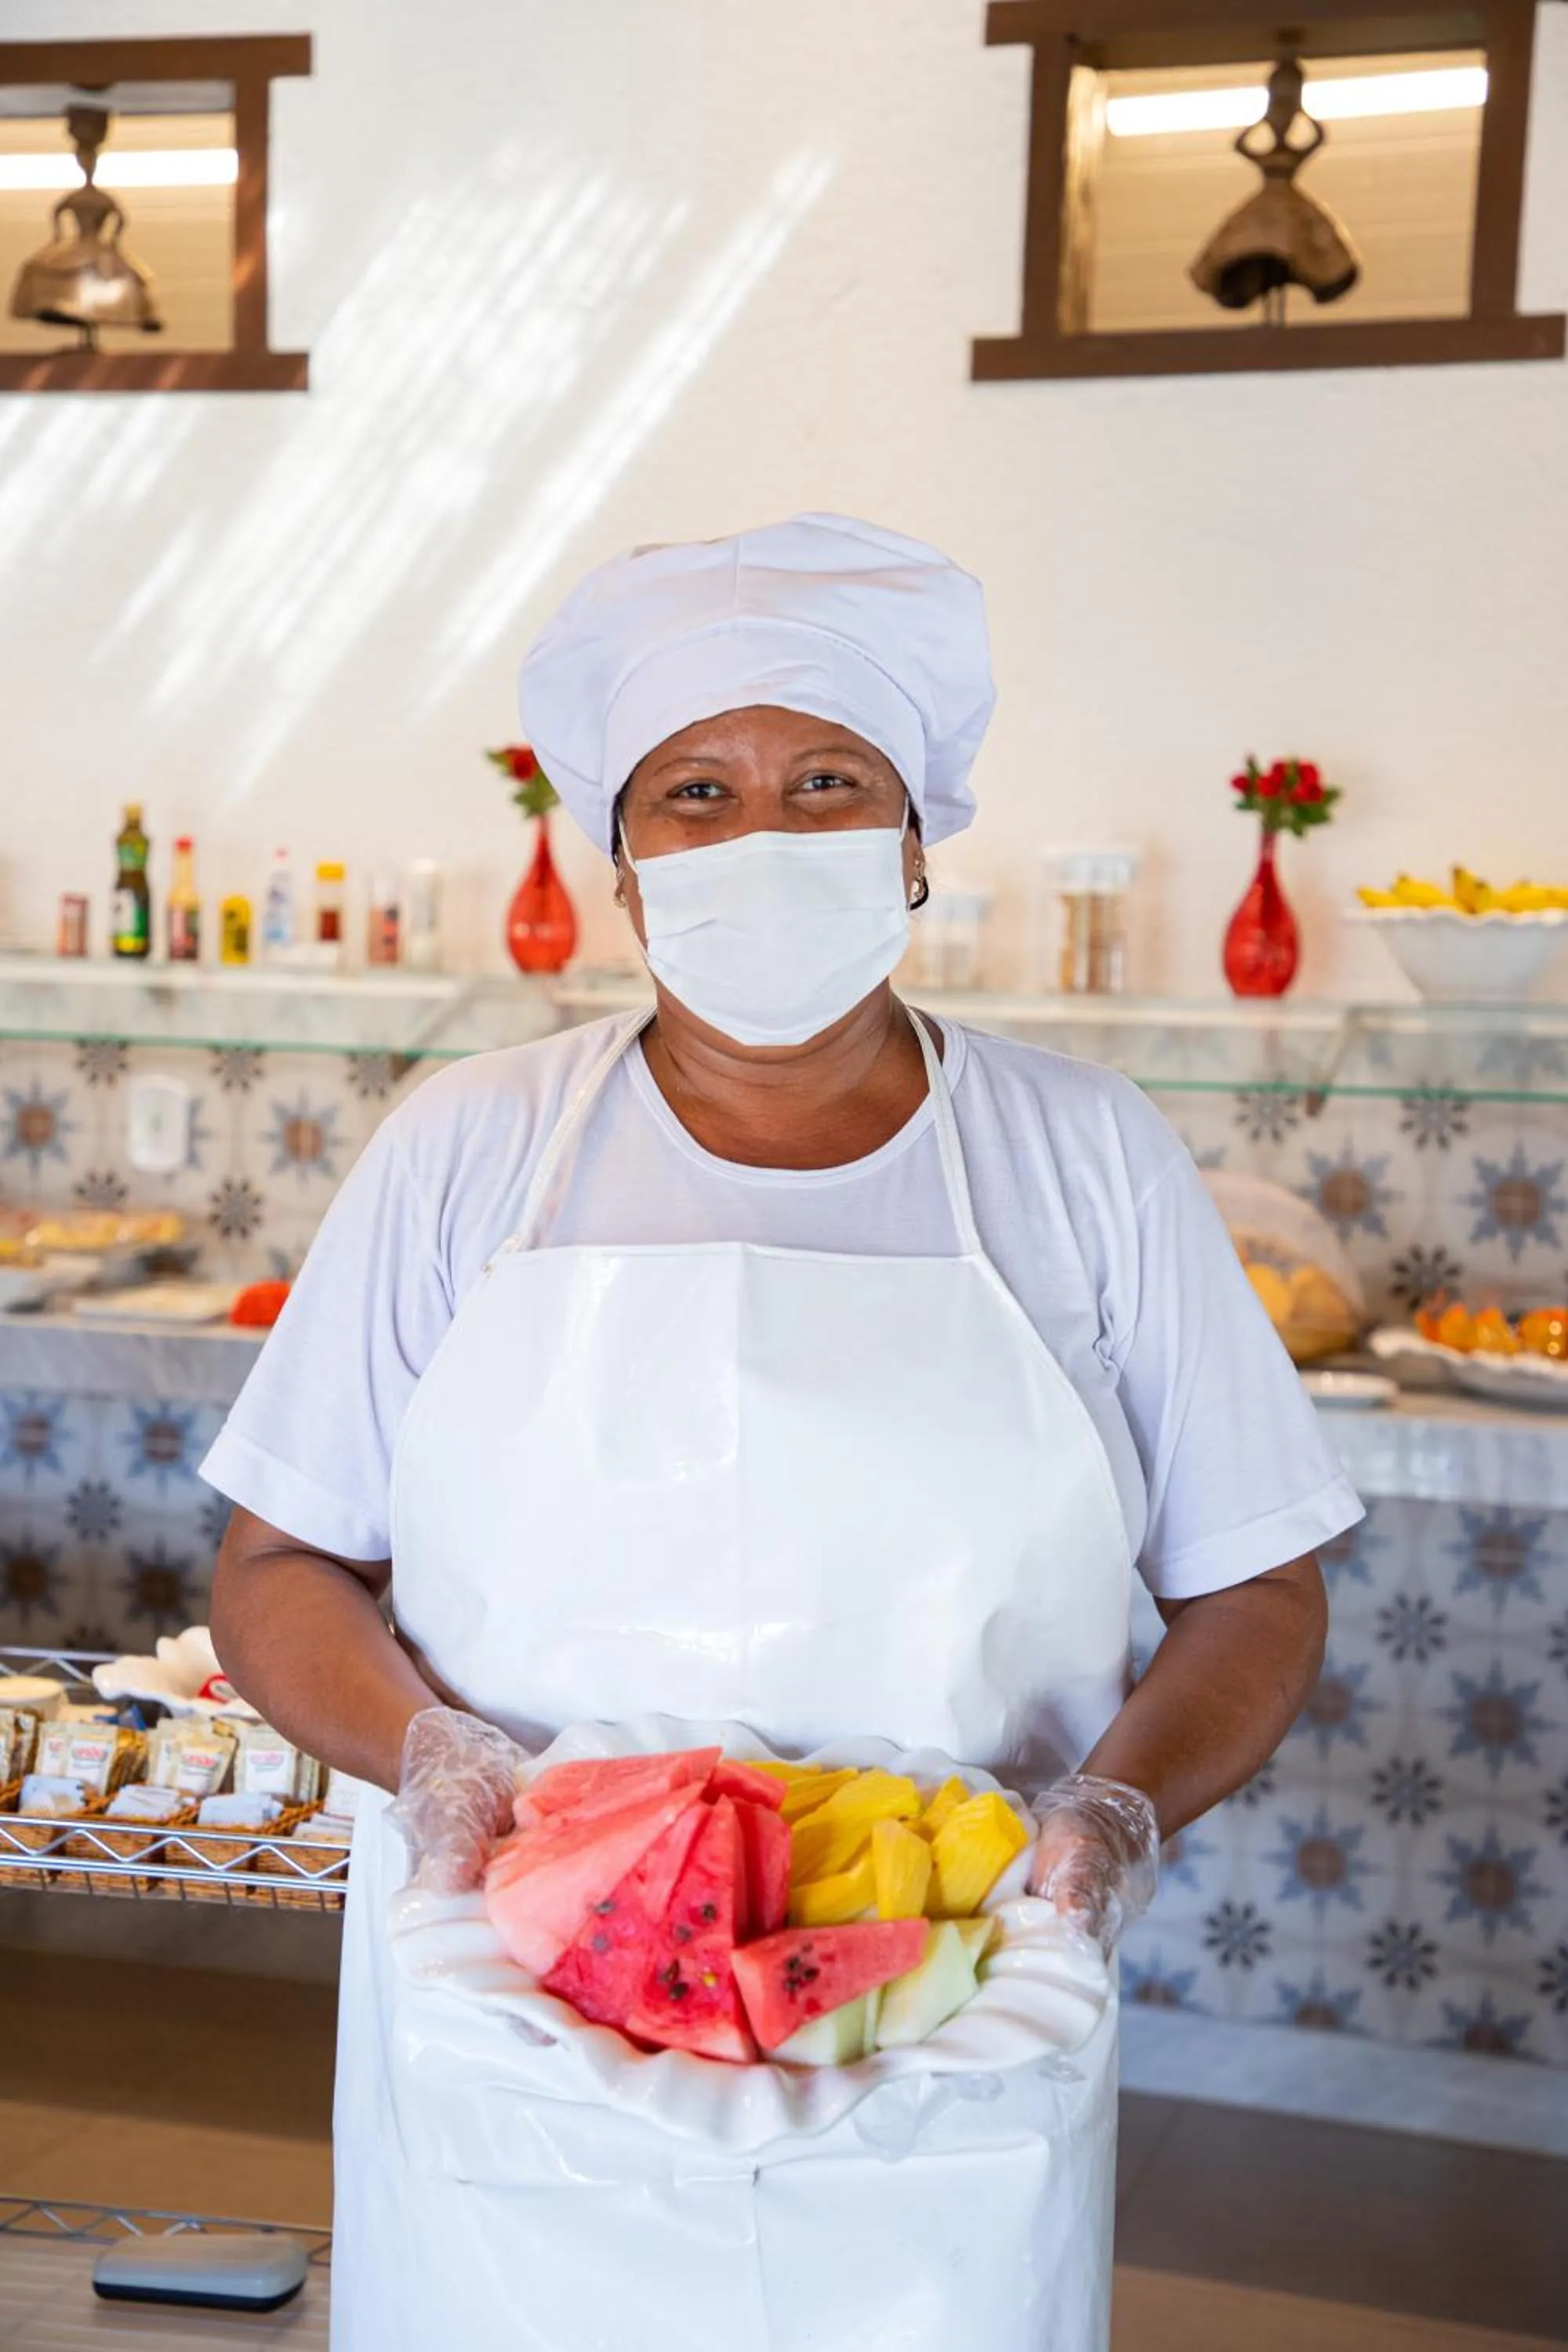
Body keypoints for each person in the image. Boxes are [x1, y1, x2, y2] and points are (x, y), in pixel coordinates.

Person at [204, 513, 1362, 2351]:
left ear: (913, 848)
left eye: (829, 781)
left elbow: (1258, 1587)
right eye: (693, 793)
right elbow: (280, 1562)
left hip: (949, 2024)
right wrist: (435, 1763)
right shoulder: (467, 1148)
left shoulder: (1086, 1158)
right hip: (518, 2009)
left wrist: (1114, 1815)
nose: (764, 835)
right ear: (624, 863)